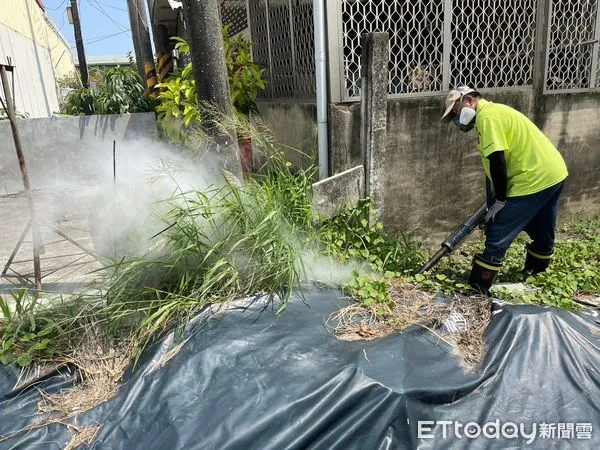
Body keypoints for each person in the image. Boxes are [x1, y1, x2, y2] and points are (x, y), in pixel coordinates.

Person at [440, 86, 569, 295]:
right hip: (553, 173)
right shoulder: (494, 113)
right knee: (541, 226)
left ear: (469, 101)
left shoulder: (488, 117)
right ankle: (537, 276)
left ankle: (477, 289)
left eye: (455, 111)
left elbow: (497, 160)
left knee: (498, 229)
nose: (456, 118)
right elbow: (493, 167)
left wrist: (501, 201)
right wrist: (494, 201)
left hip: (532, 178)